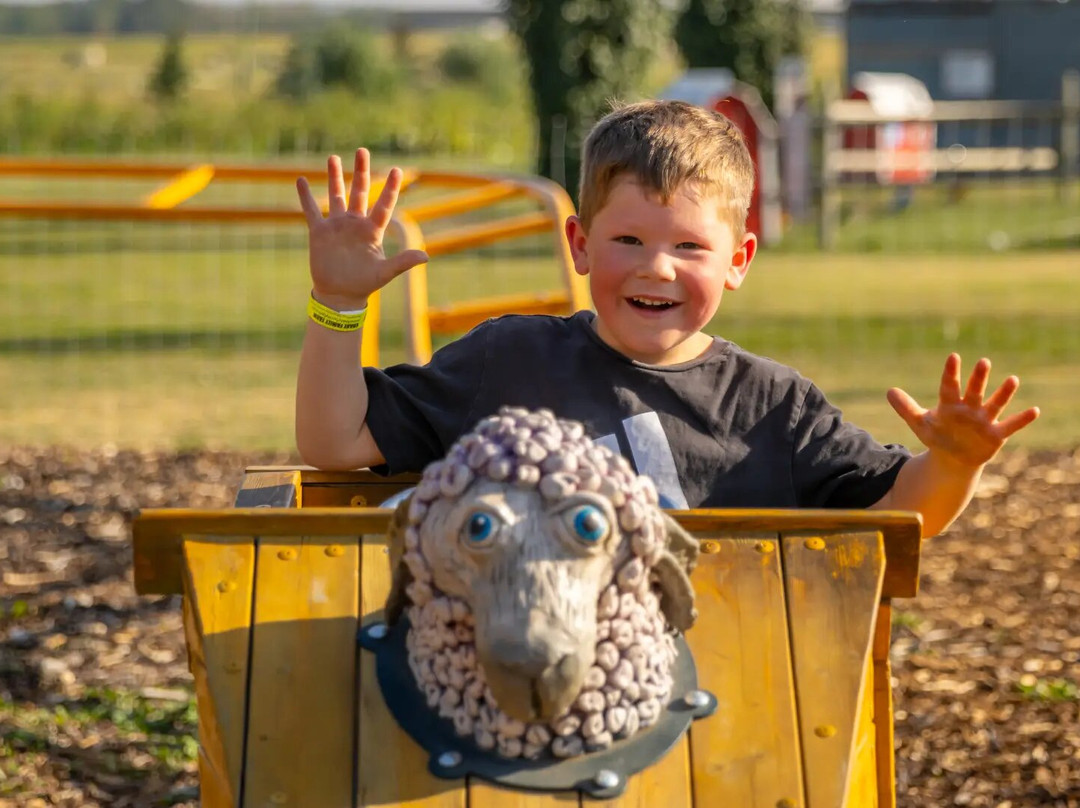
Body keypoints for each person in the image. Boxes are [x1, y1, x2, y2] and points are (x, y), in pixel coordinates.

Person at [294, 100, 1039, 538]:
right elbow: (333, 441)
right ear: (579, 244)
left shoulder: (774, 407)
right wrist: (339, 304)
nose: (657, 268)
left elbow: (904, 514)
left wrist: (954, 464)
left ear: (738, 259)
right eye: (628, 240)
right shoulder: (508, 360)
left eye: (689, 247)